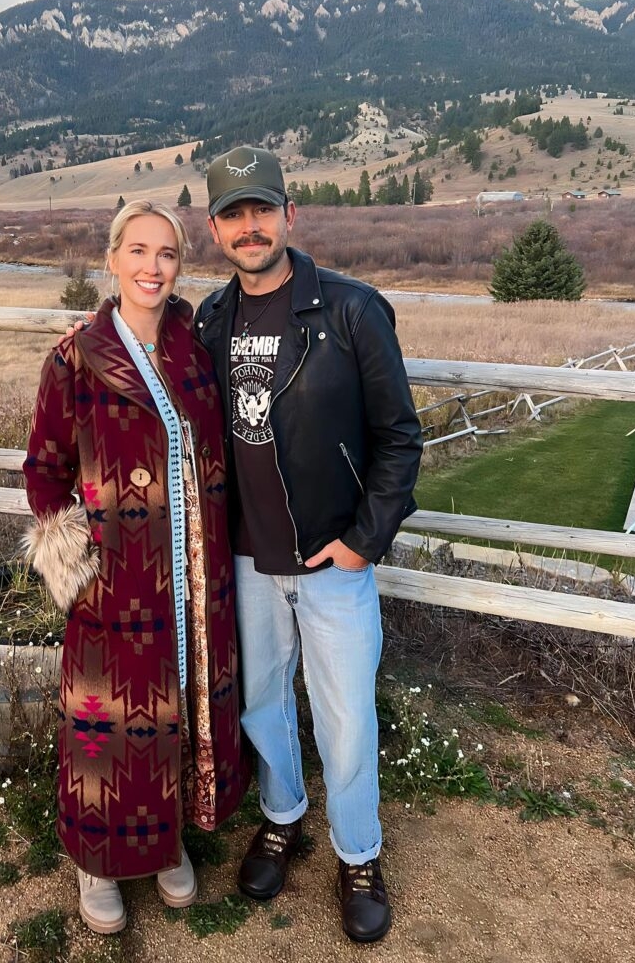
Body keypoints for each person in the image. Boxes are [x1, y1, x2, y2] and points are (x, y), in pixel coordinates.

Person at [193, 146, 423, 944]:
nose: (249, 226)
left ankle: (359, 856)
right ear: (215, 228)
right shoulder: (211, 321)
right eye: (233, 213)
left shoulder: (354, 311)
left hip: (332, 559)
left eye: (263, 209)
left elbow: (400, 439)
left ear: (291, 215)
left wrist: (365, 541)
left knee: (347, 719)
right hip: (247, 561)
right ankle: (281, 818)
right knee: (261, 703)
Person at [23, 200, 249, 935]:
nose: (153, 268)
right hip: (115, 580)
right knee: (112, 722)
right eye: (139, 251)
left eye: (168, 254)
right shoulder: (76, 358)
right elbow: (44, 471)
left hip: (193, 578)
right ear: (113, 259)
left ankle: (164, 843)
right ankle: (97, 861)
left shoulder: (193, 349)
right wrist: (77, 569)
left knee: (177, 706)